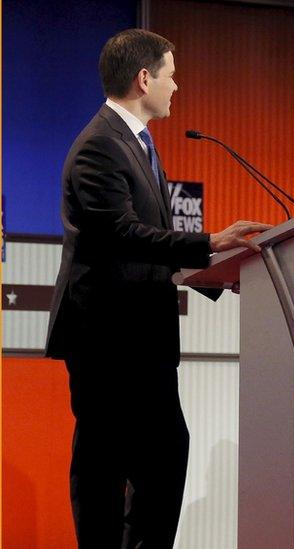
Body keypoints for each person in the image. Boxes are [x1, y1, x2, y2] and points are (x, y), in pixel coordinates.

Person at [44, 29, 270, 548]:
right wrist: (209, 241)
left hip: (143, 337)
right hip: (108, 338)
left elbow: (145, 250)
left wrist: (215, 275)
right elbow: (119, 234)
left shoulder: (136, 143)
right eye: (171, 74)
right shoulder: (100, 145)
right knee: (106, 465)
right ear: (144, 78)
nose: (177, 85)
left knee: (163, 457)